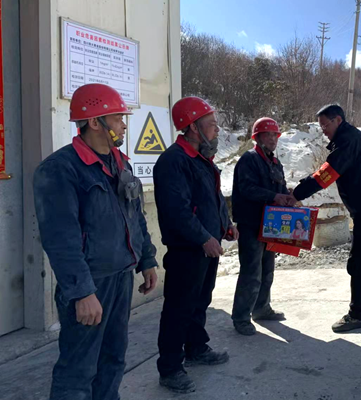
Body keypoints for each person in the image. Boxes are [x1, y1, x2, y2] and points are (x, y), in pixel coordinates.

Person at [33, 83, 158, 400]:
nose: (123, 125)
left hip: (121, 277)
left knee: (113, 359)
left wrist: (146, 259)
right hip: (90, 283)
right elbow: (60, 240)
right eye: (117, 118)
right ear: (94, 121)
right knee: (78, 369)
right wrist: (82, 292)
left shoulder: (121, 164)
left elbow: (136, 217)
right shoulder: (60, 169)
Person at [153, 96, 238, 393]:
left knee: (200, 302)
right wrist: (203, 237)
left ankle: (196, 348)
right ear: (192, 127)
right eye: (211, 124)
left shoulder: (202, 159)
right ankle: (170, 368)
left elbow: (213, 199)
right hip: (187, 251)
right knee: (178, 309)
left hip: (207, 247)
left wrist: (226, 225)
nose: (217, 129)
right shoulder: (174, 161)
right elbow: (177, 210)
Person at [292, 104, 361, 333]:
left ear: (338, 120)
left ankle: (357, 314)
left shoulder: (347, 141)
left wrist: (296, 194)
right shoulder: (348, 139)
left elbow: (326, 174)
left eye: (325, 125)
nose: (323, 131)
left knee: (358, 262)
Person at [231, 117, 295, 336]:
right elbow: (247, 188)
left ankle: (261, 308)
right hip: (251, 224)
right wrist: (274, 196)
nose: (273, 139)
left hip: (271, 225)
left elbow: (280, 188)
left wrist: (288, 197)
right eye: (268, 134)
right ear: (257, 137)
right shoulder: (249, 160)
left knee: (267, 269)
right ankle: (241, 317)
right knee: (251, 271)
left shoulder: (274, 163)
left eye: (275, 135)